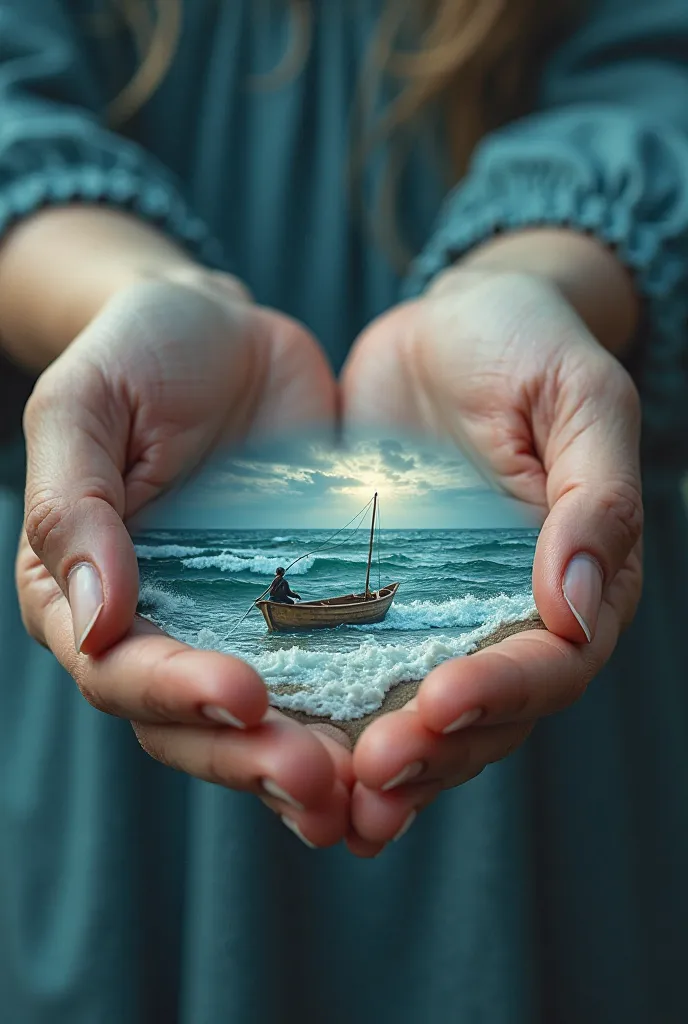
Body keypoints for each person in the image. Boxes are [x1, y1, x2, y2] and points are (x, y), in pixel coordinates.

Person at [0, 1, 687, 1021]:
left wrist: (529, 278)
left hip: (566, 711)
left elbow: (658, 80)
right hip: (116, 700)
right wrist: (124, 295)